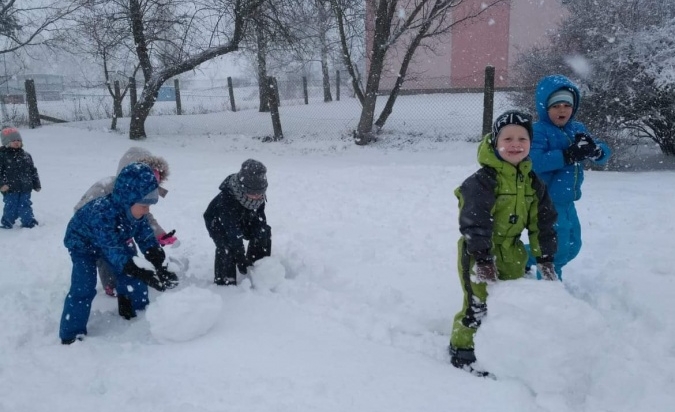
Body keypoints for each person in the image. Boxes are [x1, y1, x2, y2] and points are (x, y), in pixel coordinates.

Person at [449, 111, 559, 377]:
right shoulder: (483, 181)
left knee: (506, 303)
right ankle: (462, 350)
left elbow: (542, 223)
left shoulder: (534, 183)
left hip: (513, 252)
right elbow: (474, 221)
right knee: (478, 303)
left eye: (522, 138)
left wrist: (545, 259)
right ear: (494, 142)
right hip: (478, 252)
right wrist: (484, 259)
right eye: (507, 138)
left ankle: (500, 350)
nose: (515, 144)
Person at [59, 163, 179, 345]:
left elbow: (146, 237)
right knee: (83, 286)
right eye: (143, 205)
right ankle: (71, 332)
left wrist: (159, 263)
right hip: (83, 244)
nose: (147, 210)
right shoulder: (102, 214)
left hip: (116, 239)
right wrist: (140, 271)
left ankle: (136, 308)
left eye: (149, 205)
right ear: (127, 199)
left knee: (133, 271)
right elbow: (114, 251)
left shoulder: (137, 213)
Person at [526, 74, 612, 280]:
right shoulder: (539, 131)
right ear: (544, 107)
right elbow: (534, 161)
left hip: (567, 200)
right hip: (546, 200)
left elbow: (599, 147)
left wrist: (597, 151)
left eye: (567, 104)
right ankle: (551, 288)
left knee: (573, 245)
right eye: (555, 105)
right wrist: (568, 155)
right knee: (556, 248)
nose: (562, 110)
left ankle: (520, 256)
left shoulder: (578, 129)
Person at [74, 147, 176, 297]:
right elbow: (86, 215)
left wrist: (159, 234)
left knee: (129, 257)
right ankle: (112, 284)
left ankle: (129, 285)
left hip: (122, 227)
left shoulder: (141, 193)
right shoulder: (105, 189)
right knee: (109, 255)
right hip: (95, 231)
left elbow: (144, 216)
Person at [204, 159, 272, 286]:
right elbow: (232, 230)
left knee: (263, 231)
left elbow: (260, 219)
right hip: (218, 221)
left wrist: (260, 234)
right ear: (243, 188)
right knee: (227, 246)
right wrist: (240, 256)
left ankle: (258, 266)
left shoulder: (258, 195)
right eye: (253, 194)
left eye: (260, 194)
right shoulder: (227, 198)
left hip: (244, 217)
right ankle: (225, 281)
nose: (257, 197)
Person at [0, 127, 40, 229]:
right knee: (11, 206)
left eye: (18, 140)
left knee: (25, 205)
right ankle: (7, 222)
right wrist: (1, 184)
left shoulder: (26, 155)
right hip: (9, 188)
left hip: (25, 187)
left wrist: (36, 184)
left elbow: (32, 170)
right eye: (13, 140)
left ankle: (28, 222)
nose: (16, 142)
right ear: (6, 142)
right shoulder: (2, 156)